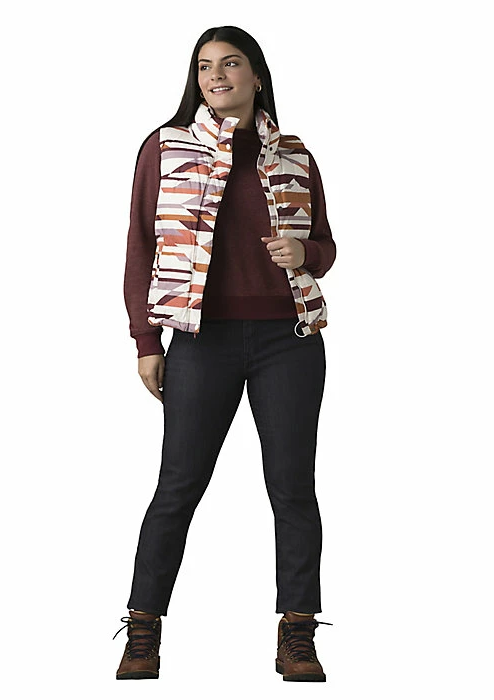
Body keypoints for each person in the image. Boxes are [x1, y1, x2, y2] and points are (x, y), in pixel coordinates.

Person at [114, 25, 337, 682]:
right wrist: (146, 341)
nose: (216, 75)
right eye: (205, 66)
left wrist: (304, 253)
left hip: (289, 342)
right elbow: (140, 244)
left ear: (256, 76)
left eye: (231, 63)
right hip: (199, 341)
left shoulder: (294, 155)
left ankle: (298, 633)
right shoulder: (165, 148)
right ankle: (143, 629)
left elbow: (325, 245)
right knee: (178, 486)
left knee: (293, 489)